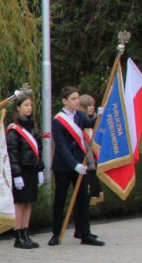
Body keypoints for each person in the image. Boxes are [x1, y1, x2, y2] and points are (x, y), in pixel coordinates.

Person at [50, 86, 103, 246]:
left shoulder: (80, 116)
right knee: (61, 199)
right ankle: (56, 233)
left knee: (83, 199)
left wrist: (99, 115)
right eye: (73, 99)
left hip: (81, 162)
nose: (76, 101)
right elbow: (61, 146)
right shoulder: (57, 120)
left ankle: (85, 234)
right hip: (64, 166)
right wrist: (74, 165)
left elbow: (90, 123)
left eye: (77, 98)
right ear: (65, 101)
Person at [6, 93, 43, 249]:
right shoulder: (14, 129)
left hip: (32, 169)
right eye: (26, 105)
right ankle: (18, 235)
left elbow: (38, 150)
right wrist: (17, 174)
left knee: (28, 203)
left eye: (30, 105)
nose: (29, 108)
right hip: (21, 170)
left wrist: (40, 169)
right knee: (19, 204)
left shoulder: (32, 126)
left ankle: (26, 233)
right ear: (18, 108)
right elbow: (12, 153)